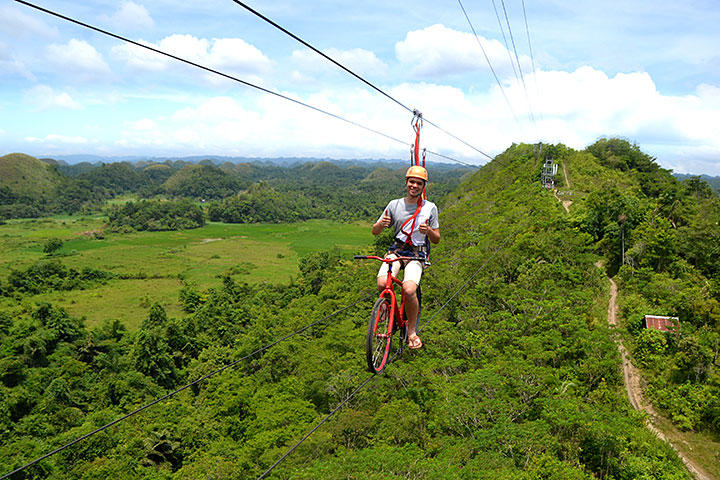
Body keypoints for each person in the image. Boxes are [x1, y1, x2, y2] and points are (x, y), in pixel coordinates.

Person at [371, 165, 440, 349]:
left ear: (423, 186)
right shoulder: (394, 205)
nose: (414, 186)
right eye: (412, 182)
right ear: (406, 182)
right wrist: (381, 224)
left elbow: (436, 239)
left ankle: (411, 331)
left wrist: (429, 231)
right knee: (381, 283)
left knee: (409, 290)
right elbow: (375, 231)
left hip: (417, 255)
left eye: (419, 183)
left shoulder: (430, 208)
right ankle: (387, 310)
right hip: (396, 251)